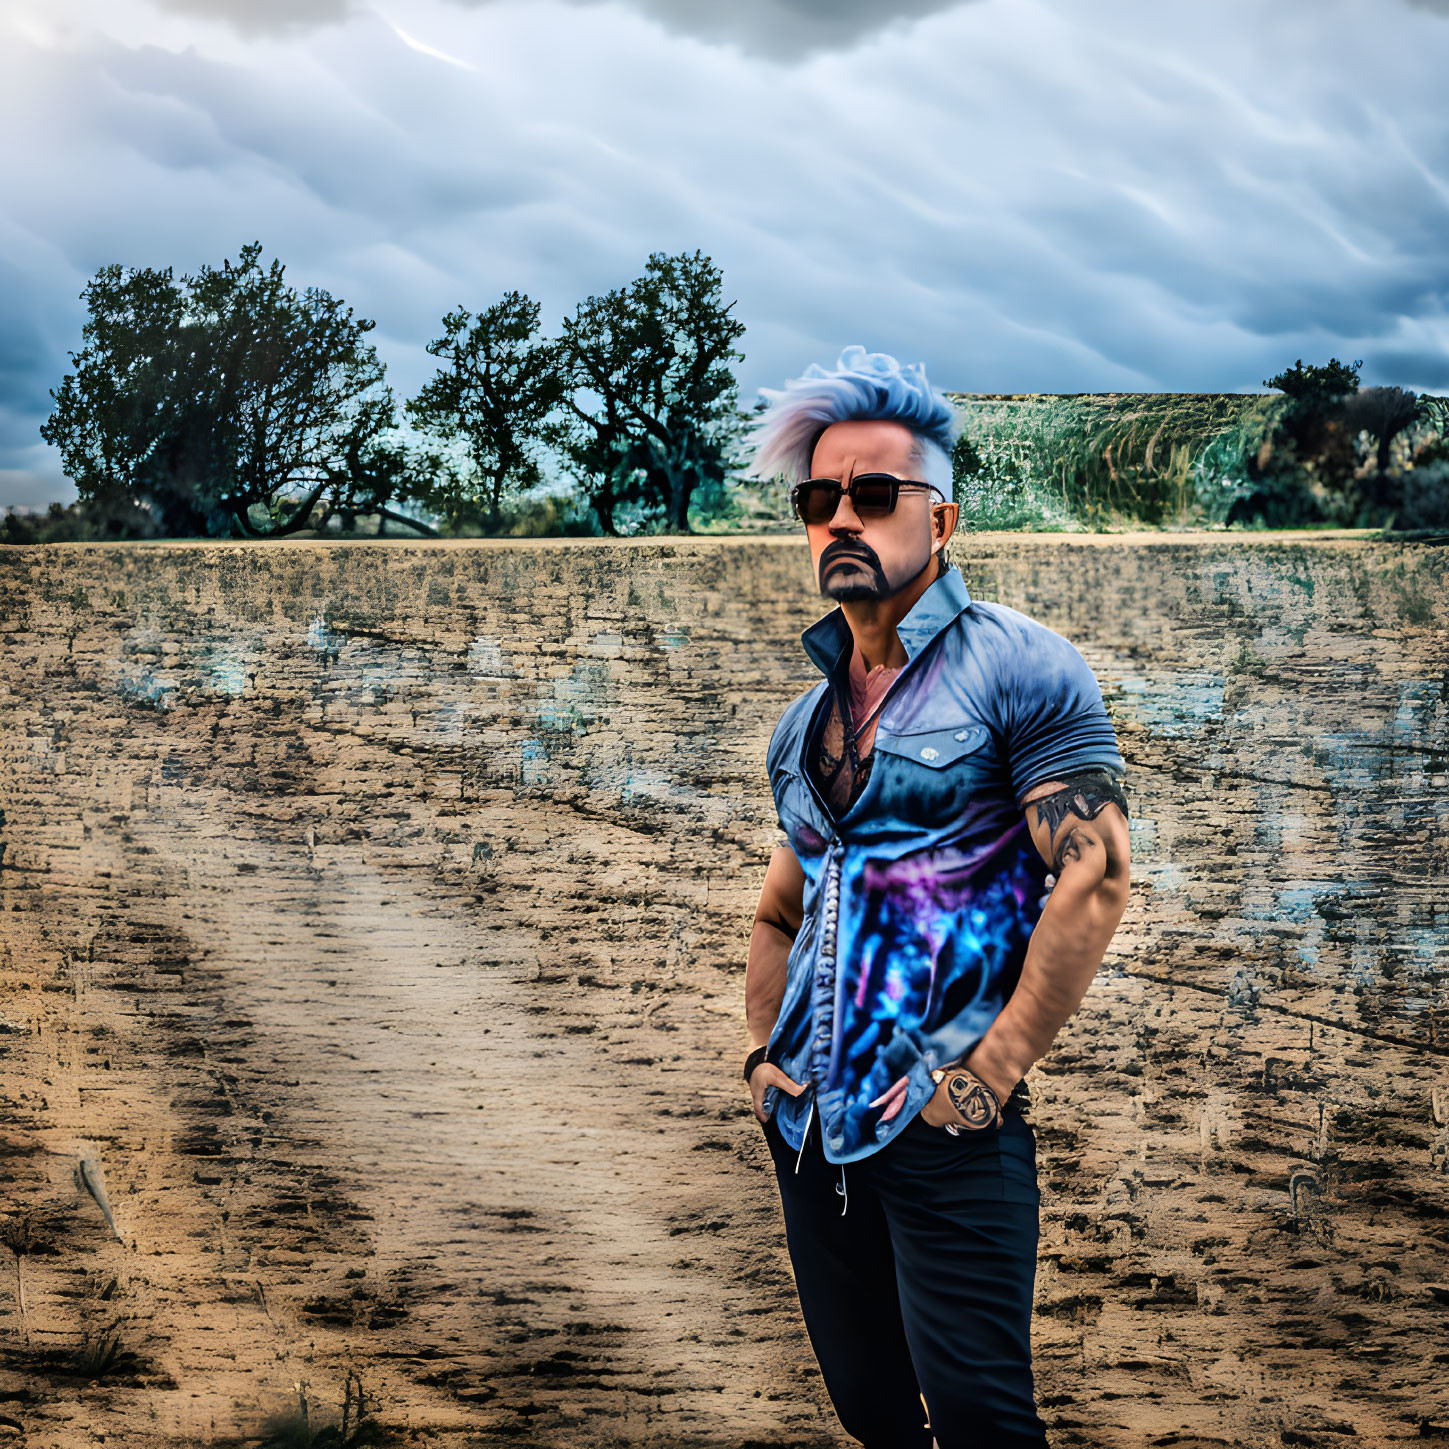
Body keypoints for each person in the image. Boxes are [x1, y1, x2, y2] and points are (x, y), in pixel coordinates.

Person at [742, 347, 1132, 1449]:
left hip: (946, 1122)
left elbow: (1094, 874)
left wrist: (986, 1078)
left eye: (875, 494)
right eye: (820, 499)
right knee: (874, 1414)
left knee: (981, 1420)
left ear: (944, 521)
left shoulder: (1020, 669)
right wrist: (768, 1062)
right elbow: (783, 907)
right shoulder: (800, 725)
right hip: (813, 1123)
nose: (841, 520)